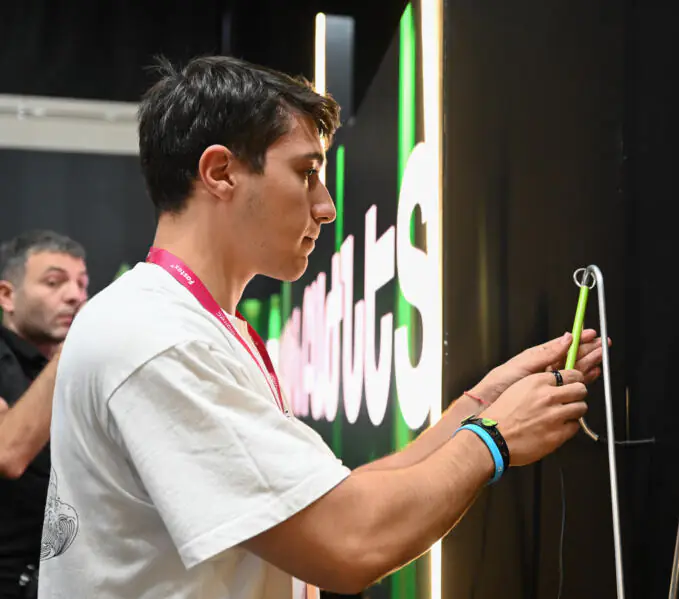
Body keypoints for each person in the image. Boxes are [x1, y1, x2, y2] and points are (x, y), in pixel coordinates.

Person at [37, 56, 606, 599]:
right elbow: (348, 540)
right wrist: (493, 440)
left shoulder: (188, 323)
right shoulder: (158, 337)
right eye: (306, 173)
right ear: (220, 173)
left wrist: (477, 407)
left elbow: (327, 504)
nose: (326, 206)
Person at [0, 230, 89, 599]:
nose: (75, 296)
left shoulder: (81, 366)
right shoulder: (69, 358)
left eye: (82, 284)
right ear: (7, 295)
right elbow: (7, 453)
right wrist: (73, 349)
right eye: (54, 282)